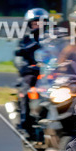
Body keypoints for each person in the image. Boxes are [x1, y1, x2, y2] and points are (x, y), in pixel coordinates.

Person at [13, 8, 48, 136]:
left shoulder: (52, 37)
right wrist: (28, 67)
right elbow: (18, 58)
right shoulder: (25, 40)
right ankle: (25, 124)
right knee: (27, 88)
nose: (38, 25)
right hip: (32, 72)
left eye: (41, 22)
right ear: (29, 24)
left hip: (49, 72)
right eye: (35, 23)